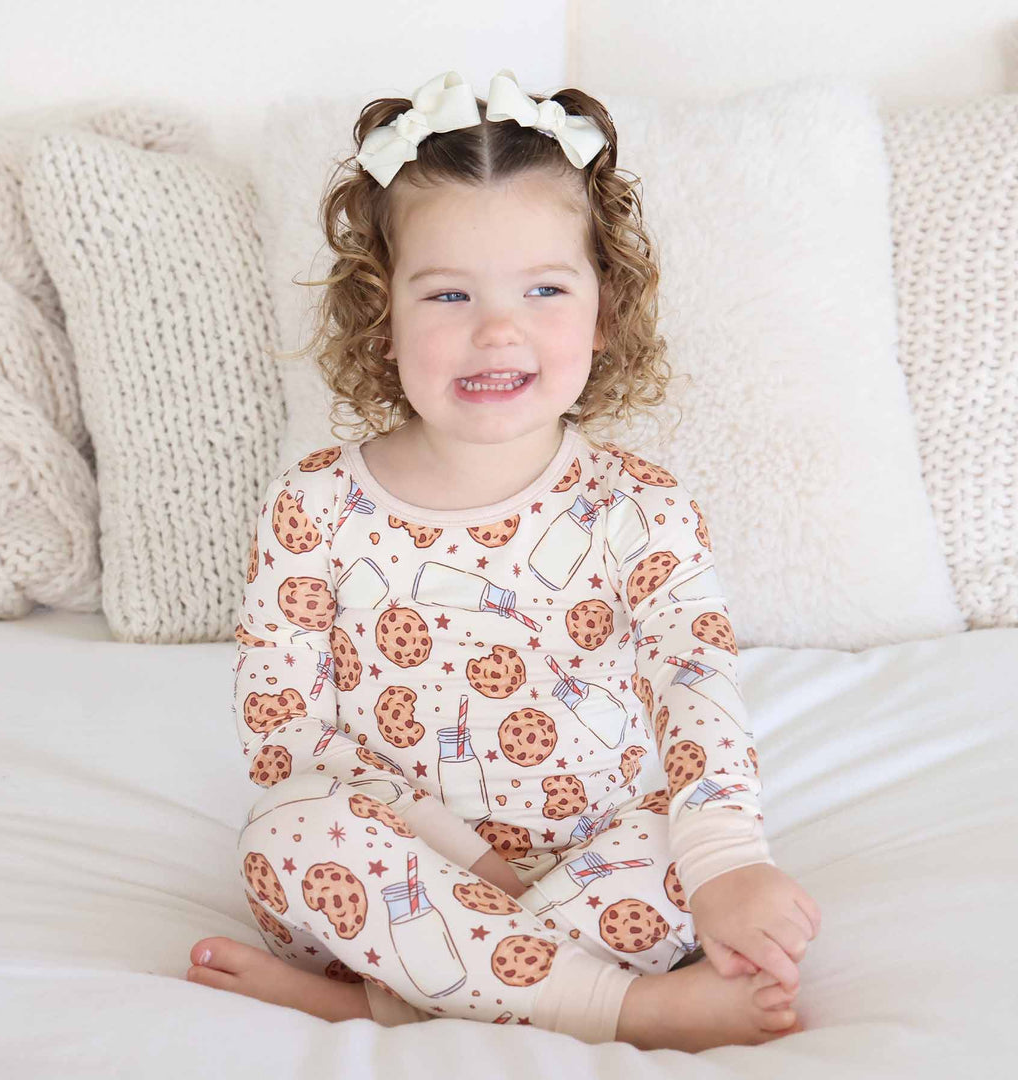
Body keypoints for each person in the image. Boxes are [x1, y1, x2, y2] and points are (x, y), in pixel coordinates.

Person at [185, 69, 821, 1052]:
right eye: (447, 293)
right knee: (286, 828)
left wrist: (728, 861)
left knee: (688, 861)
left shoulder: (637, 507)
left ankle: (392, 1007)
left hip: (599, 860)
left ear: (602, 311)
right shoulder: (314, 508)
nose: (497, 328)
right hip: (399, 878)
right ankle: (626, 1010)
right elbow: (289, 738)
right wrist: (470, 862)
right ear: (381, 314)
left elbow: (694, 680)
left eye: (543, 288)